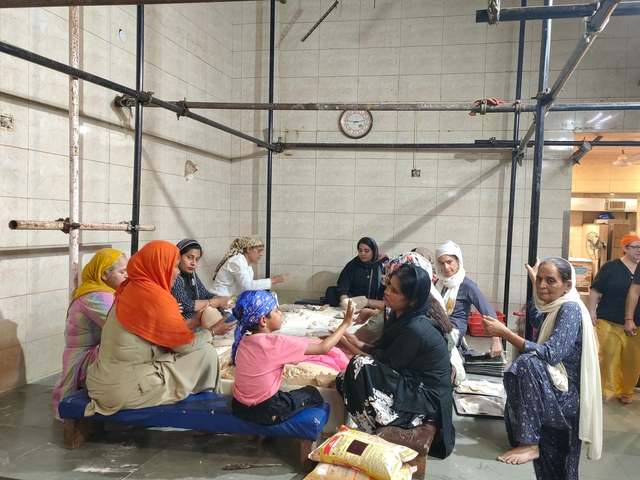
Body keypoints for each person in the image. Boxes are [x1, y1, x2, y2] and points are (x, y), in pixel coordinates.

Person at [483, 258, 602, 479]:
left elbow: (550, 353)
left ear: (568, 286)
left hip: (567, 395)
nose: (542, 285)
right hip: (553, 388)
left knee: (528, 363)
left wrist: (506, 334)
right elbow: (537, 318)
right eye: (539, 280)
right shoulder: (554, 306)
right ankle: (529, 443)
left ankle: (529, 443)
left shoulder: (570, 309)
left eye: (550, 281)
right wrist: (535, 281)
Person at [84, 240, 223, 416]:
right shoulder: (156, 298)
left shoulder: (130, 287)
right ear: (160, 266)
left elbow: (163, 333)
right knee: (206, 353)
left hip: (102, 382)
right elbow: (183, 346)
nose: (177, 272)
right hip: (125, 390)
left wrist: (196, 322)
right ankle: (206, 415)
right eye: (174, 266)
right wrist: (211, 332)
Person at [336, 264, 455, 459]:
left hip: (426, 399)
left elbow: (381, 364)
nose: (387, 292)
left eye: (394, 291)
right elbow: (385, 352)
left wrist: (347, 345)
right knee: (344, 380)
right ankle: (376, 423)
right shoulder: (400, 315)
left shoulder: (417, 329)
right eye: (389, 286)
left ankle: (376, 429)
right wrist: (356, 342)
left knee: (358, 366)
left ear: (413, 300)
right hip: (410, 381)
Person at [230, 290, 354, 425]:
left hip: (238, 407)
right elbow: (323, 348)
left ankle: (253, 433)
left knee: (277, 394)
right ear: (263, 320)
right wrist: (345, 323)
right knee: (311, 393)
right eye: (276, 311)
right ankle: (301, 433)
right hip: (268, 412)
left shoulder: (244, 340)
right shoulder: (276, 343)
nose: (280, 313)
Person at [52, 248, 128, 419]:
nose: (127, 276)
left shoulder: (107, 292)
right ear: (103, 275)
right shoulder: (96, 296)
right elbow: (121, 326)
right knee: (132, 345)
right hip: (84, 360)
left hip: (91, 354)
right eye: (122, 272)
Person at [589, 234, 640, 404]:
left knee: (632, 359)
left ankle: (626, 391)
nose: (639, 250)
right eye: (635, 247)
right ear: (625, 248)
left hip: (636, 321)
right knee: (609, 356)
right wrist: (591, 311)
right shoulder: (611, 267)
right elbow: (596, 289)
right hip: (609, 318)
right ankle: (606, 390)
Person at [435, 240, 502, 357]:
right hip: (436, 325)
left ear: (458, 261)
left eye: (449, 262)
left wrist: (496, 340)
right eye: (441, 263)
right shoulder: (438, 283)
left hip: (453, 330)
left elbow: (486, 310)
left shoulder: (467, 285)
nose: (445, 267)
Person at [171, 238, 236, 334]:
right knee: (227, 326)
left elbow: (204, 294)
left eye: (197, 259)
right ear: (178, 256)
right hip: (187, 320)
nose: (193, 263)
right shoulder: (174, 276)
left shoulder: (191, 274)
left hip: (200, 314)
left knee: (234, 321)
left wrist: (223, 300)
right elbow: (185, 305)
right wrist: (215, 302)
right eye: (189, 257)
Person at [211, 235, 289, 296]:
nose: (261, 254)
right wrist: (273, 280)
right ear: (249, 249)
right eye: (259, 251)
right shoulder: (237, 261)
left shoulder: (247, 264)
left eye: (262, 251)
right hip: (221, 299)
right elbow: (248, 286)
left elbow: (248, 287)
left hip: (232, 299)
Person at [325, 237, 388, 308]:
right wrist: (346, 302)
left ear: (373, 251)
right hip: (354, 301)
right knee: (331, 292)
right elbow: (343, 285)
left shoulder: (381, 266)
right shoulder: (353, 265)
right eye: (360, 250)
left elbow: (386, 290)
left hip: (374, 302)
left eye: (366, 251)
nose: (362, 254)